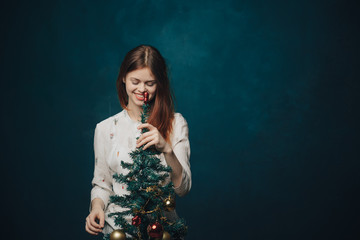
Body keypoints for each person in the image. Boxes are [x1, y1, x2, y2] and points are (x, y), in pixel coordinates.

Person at [85, 45, 191, 236]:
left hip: (161, 232)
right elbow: (102, 183)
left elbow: (183, 188)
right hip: (119, 232)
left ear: (159, 84)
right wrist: (96, 208)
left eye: (150, 83)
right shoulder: (105, 129)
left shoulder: (176, 124)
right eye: (135, 81)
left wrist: (167, 150)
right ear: (124, 78)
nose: (142, 89)